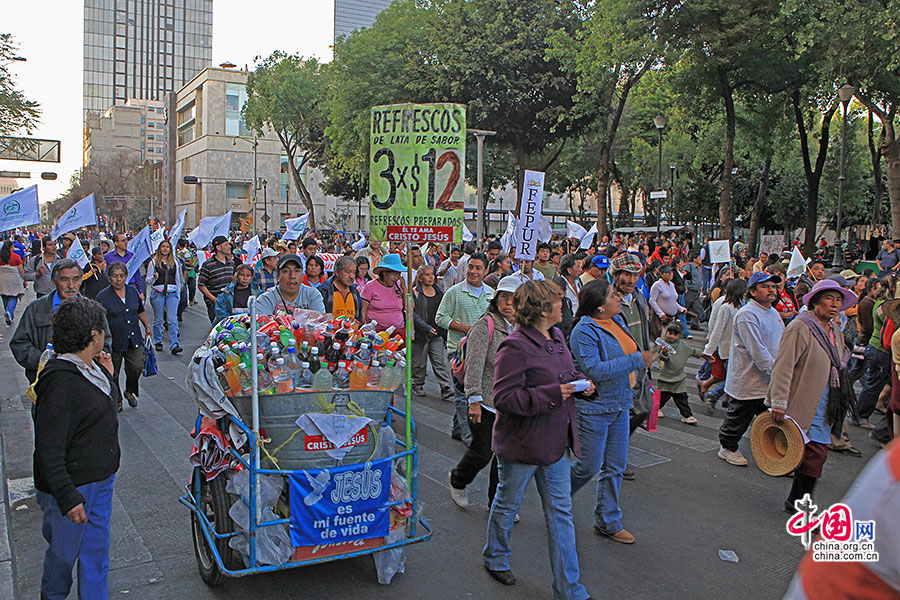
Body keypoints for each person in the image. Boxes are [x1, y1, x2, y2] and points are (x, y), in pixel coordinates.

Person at [483, 280, 595, 599]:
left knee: (561, 515)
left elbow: (565, 373)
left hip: (556, 441)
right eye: (559, 302)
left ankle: (569, 590)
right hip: (522, 443)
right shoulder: (514, 346)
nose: (564, 306)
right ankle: (495, 556)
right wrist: (553, 394)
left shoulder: (557, 335)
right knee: (507, 502)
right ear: (544, 309)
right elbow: (504, 397)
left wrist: (581, 384)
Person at [33, 297, 120, 600]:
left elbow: (107, 408)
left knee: (96, 555)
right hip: (72, 488)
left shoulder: (91, 368)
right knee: (62, 557)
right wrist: (68, 496)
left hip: (101, 479)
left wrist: (108, 374)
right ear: (92, 336)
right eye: (101, 331)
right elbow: (48, 447)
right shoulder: (60, 381)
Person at [569, 278, 654, 544]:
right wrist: (637, 360)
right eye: (612, 295)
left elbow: (631, 348)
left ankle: (607, 521)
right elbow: (595, 369)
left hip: (621, 402)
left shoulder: (616, 321)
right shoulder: (584, 331)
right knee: (588, 466)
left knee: (615, 466)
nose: (618, 298)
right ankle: (555, 498)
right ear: (599, 307)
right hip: (596, 408)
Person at [767, 280, 856, 511]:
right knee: (814, 451)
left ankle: (796, 500)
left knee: (813, 452)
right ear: (815, 302)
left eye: (838, 300)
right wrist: (778, 402)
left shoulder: (835, 329)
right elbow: (784, 366)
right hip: (805, 398)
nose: (835, 305)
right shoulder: (801, 327)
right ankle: (801, 503)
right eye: (829, 299)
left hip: (829, 398)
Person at [448, 276, 520, 509]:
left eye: (514, 299)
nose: (508, 303)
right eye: (504, 298)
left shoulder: (522, 328)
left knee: (503, 456)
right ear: (496, 300)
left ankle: (495, 502)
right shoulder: (485, 325)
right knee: (482, 451)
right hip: (485, 399)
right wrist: (474, 400)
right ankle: (458, 480)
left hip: (509, 402)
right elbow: (475, 364)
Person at [717, 271, 786, 466]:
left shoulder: (773, 313)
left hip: (769, 380)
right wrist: (778, 372)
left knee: (769, 420)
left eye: (773, 286)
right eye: (766, 286)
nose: (772, 290)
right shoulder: (747, 315)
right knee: (738, 417)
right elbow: (758, 351)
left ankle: (770, 452)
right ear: (753, 292)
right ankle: (727, 447)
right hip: (749, 378)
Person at [12, 260, 112, 384]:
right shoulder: (36, 309)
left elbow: (106, 342)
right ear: (54, 282)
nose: (71, 285)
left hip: (83, 381)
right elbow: (20, 344)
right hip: (46, 380)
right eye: (64, 280)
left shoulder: (93, 310)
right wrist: (46, 361)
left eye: (75, 279)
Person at [436, 252, 494, 446]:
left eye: (478, 268)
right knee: (462, 394)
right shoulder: (454, 292)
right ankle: (470, 438)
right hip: (458, 352)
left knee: (468, 392)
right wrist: (466, 330)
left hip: (482, 353)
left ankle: (457, 427)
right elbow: (440, 318)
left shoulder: (491, 294)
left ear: (486, 271)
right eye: (471, 267)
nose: (473, 272)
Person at [610, 253, 653, 480]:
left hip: (640, 365)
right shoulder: (608, 298)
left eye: (635, 275)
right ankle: (617, 457)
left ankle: (613, 448)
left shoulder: (639, 296)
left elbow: (643, 330)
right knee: (623, 413)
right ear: (616, 275)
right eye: (627, 274)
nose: (631, 280)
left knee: (643, 408)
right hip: (620, 366)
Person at [96, 262, 150, 411]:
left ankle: (129, 391)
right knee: (113, 372)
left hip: (133, 338)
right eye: (115, 276)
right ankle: (117, 399)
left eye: (121, 276)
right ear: (109, 278)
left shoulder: (132, 292)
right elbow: (98, 320)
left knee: (136, 366)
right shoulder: (103, 296)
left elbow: (140, 310)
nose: (118, 279)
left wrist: (147, 326)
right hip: (113, 341)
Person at [853, 275, 895, 429]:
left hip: (879, 348)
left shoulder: (880, 302)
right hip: (880, 348)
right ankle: (860, 416)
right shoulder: (884, 305)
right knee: (873, 384)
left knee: (878, 382)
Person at [701, 278, 747, 409]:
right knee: (733, 378)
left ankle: (724, 398)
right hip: (728, 349)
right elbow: (717, 330)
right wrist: (708, 350)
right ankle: (714, 395)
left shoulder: (741, 306)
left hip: (739, 348)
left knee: (733, 377)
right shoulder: (725, 308)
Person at [411, 264, 453, 401]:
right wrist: (425, 327)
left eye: (432, 274)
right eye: (427, 275)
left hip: (437, 334)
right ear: (420, 278)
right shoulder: (415, 293)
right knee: (419, 363)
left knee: (439, 362)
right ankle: (417, 385)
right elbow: (414, 314)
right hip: (421, 335)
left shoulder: (439, 292)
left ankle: (445, 387)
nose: (431, 277)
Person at [656, 321, 703, 424]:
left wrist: (704, 354)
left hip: (679, 378)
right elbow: (662, 357)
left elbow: (692, 351)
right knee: (663, 397)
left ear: (679, 335)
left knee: (682, 398)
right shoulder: (665, 345)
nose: (672, 336)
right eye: (670, 333)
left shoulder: (683, 346)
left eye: (675, 334)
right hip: (666, 378)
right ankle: (656, 409)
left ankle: (687, 415)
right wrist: (664, 352)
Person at [144, 239, 183, 355]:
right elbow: (147, 280)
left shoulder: (174, 262)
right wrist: (154, 278)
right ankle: (158, 341)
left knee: (172, 319)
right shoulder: (153, 263)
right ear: (159, 249)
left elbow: (177, 280)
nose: (165, 249)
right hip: (158, 292)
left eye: (167, 247)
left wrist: (178, 295)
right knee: (158, 319)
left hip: (172, 293)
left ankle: (174, 343)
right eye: (163, 246)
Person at [254, 253, 326, 314]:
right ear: (278, 276)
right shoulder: (265, 300)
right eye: (286, 271)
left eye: (297, 271)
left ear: (302, 275)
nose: (292, 276)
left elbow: (321, 324)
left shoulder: (313, 295)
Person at [361, 254, 406, 334]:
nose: (397, 277)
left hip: (398, 332)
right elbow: (363, 311)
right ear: (384, 273)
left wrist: (404, 288)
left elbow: (409, 307)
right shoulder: (370, 286)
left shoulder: (399, 286)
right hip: (375, 332)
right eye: (394, 274)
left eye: (399, 274)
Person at [197, 235, 236, 323]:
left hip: (229, 301)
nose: (229, 246)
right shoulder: (208, 264)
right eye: (226, 245)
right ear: (218, 247)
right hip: (214, 302)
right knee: (218, 327)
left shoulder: (231, 263)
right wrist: (214, 299)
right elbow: (201, 285)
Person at [320, 256, 363, 322]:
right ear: (337, 272)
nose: (351, 276)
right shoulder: (324, 291)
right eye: (348, 272)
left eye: (354, 272)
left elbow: (359, 320)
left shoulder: (355, 292)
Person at [649, 264, 685, 339]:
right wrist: (660, 314)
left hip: (672, 318)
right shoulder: (657, 285)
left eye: (671, 272)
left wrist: (681, 309)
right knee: (661, 341)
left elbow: (673, 301)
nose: (670, 274)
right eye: (667, 272)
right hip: (662, 319)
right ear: (661, 274)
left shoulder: (672, 285)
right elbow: (652, 301)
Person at [104, 233, 144, 299]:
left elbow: (137, 274)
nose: (126, 242)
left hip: (131, 285)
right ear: (116, 243)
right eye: (123, 241)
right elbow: (107, 275)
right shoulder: (108, 257)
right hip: (116, 286)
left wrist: (141, 291)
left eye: (126, 240)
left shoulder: (132, 256)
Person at [553, 254, 582, 337]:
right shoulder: (559, 284)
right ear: (569, 270)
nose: (581, 270)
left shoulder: (579, 282)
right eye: (578, 267)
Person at [0, 239, 25, 325]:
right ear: (11, 247)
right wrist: (24, 280)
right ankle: (9, 312)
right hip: (14, 280)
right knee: (14, 296)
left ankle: (9, 313)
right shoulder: (16, 257)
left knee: (4, 296)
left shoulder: (0, 257)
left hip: (2, 280)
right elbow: (21, 270)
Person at [177, 239, 199, 305]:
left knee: (191, 287)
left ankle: (191, 300)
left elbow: (190, 263)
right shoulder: (179, 252)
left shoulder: (186, 252)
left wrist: (181, 262)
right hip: (183, 272)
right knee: (184, 288)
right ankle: (184, 302)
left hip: (190, 272)